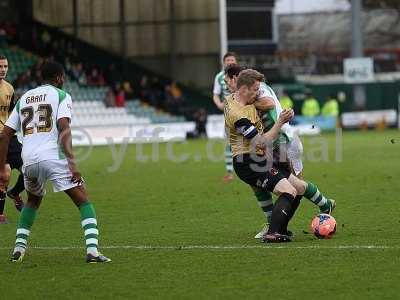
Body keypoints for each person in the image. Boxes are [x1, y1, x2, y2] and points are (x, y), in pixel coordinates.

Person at [0, 61, 111, 263]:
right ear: (59, 77)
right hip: (53, 157)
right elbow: (63, 126)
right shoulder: (61, 95)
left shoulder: (24, 97)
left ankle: (18, 249)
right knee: (83, 200)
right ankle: (93, 251)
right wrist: (72, 163)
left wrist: (0, 166)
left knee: (33, 201)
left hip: (29, 160)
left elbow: (5, 134)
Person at [224, 69, 335, 242]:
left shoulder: (236, 99)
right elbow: (260, 142)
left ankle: (282, 227)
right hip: (248, 161)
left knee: (299, 187)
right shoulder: (238, 115)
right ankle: (273, 232)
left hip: (261, 158)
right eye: (254, 90)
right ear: (244, 89)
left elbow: (262, 101)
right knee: (288, 191)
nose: (257, 93)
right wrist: (280, 121)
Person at [0, 55, 25, 224]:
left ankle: (15, 192)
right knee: (5, 174)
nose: (3, 69)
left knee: (30, 167)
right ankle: (0, 215)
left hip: (10, 136)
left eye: (5, 66)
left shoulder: (9, 88)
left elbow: (10, 113)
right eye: (0, 66)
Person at [213, 52, 238, 181]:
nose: (230, 62)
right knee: (229, 142)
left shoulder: (242, 74)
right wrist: (219, 104)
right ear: (224, 62)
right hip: (229, 112)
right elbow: (215, 94)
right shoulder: (219, 77)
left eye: (232, 60)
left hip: (244, 111)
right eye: (228, 60)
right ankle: (229, 172)